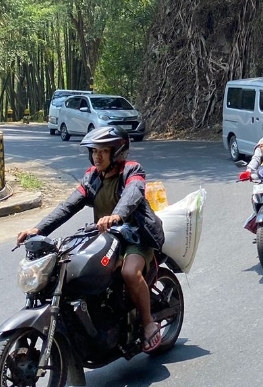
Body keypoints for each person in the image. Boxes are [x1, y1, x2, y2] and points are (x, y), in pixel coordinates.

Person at [16, 126, 166, 352]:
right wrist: (38, 229)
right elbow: (68, 206)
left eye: (104, 151)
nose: (98, 156)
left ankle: (147, 323)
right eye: (95, 151)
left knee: (128, 272)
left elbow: (133, 194)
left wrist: (118, 215)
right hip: (107, 237)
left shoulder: (132, 170)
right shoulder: (92, 178)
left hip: (136, 237)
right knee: (78, 267)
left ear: (117, 152)